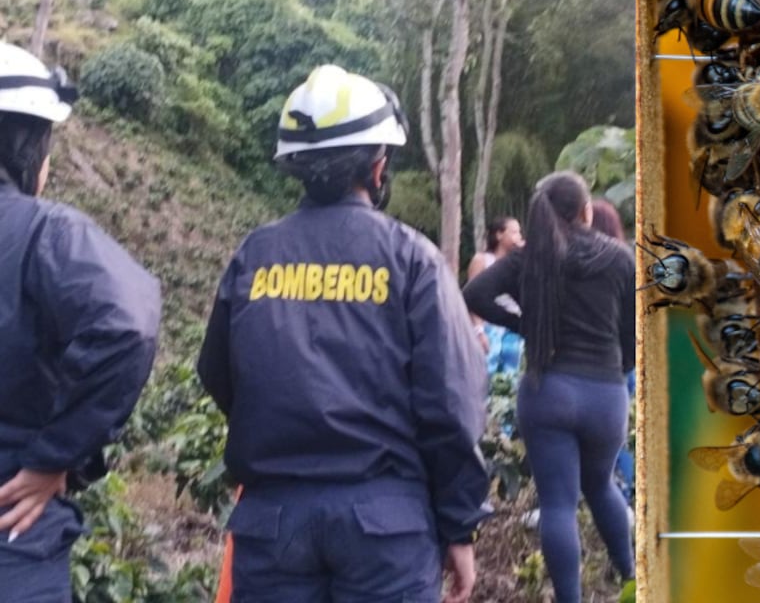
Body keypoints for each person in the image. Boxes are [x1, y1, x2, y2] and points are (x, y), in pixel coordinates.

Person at [197, 64, 489, 603]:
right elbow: (452, 403)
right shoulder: (412, 259)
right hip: (386, 526)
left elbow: (216, 372)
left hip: (271, 521)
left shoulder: (254, 257)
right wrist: (459, 524)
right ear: (378, 166)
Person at [0, 42, 160, 600]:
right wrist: (56, 456)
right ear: (27, 147)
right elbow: (127, 323)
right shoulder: (46, 233)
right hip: (11, 529)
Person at [464, 172, 635, 603]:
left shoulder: (531, 260)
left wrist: (525, 326)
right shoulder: (619, 258)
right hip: (605, 394)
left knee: (558, 504)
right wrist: (619, 368)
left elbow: (475, 293)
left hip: (547, 392)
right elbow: (634, 331)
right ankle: (631, 577)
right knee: (601, 486)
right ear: (586, 210)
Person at [588, 198, 635, 504]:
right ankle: (626, 492)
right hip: (622, 364)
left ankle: (606, 493)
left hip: (593, 365)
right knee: (621, 439)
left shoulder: (585, 268)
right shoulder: (626, 263)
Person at [466, 217, 525, 375]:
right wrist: (478, 330)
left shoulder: (519, 262)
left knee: (510, 374)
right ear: (499, 235)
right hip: (488, 324)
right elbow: (472, 296)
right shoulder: (483, 260)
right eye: (513, 232)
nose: (518, 237)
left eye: (519, 233)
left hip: (513, 324)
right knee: (486, 370)